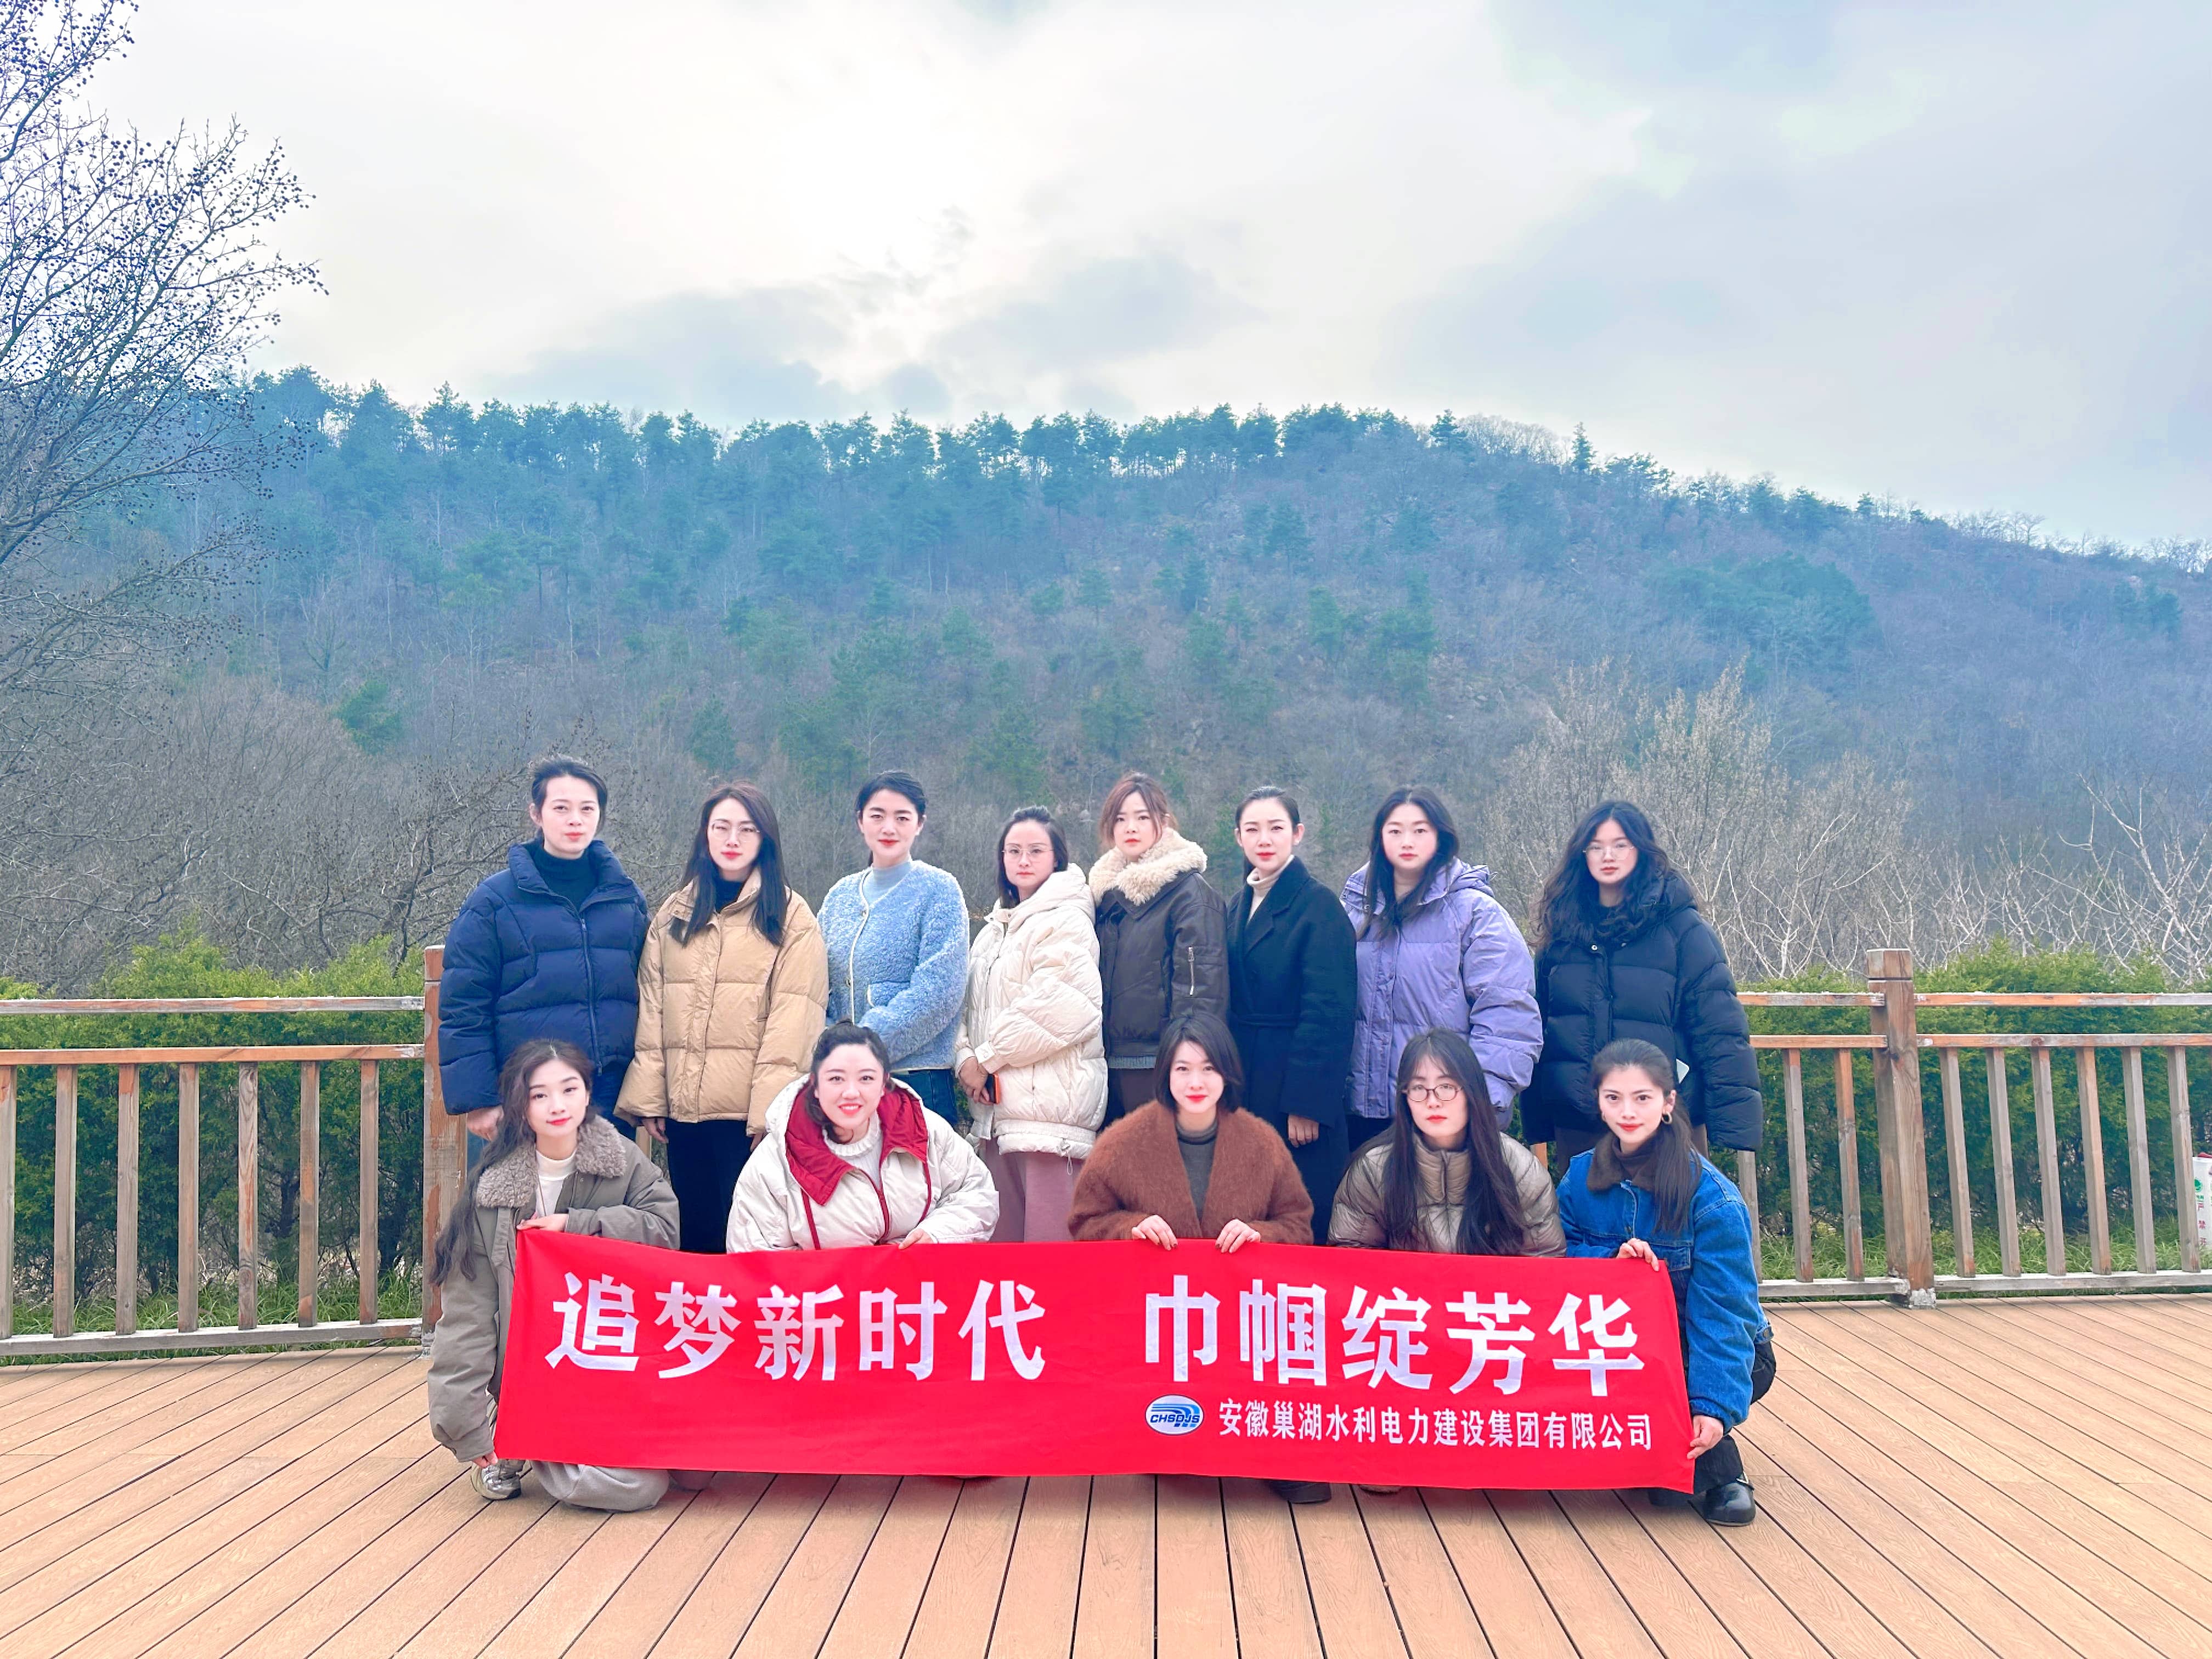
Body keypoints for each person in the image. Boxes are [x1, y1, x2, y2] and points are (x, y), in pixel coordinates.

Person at [1068, 1011, 1323, 1504]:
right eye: (1183, 1069)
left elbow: (1299, 1226)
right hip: (1158, 1327)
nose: (1196, 1082)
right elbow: (1084, 1222)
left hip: (1241, 1323)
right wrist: (1129, 1227)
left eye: (1208, 1069)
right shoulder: (1123, 1140)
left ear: (1227, 1073)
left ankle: (1270, 1452)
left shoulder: (1262, 1142)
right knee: (1170, 1452)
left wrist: (1261, 1234)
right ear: (1165, 1073)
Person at [426, 1039, 678, 1510]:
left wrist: (577, 1226)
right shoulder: (494, 1188)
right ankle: (522, 1435)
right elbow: (468, 1316)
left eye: (569, 1089)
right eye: (539, 1095)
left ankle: (531, 1442)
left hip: (613, 1362)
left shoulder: (621, 1160)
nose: (557, 1106)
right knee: (635, 1488)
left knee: (682, 1474)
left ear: (588, 1094)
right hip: (535, 1372)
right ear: (518, 1106)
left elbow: (665, 1230)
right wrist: (465, 1428)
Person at [1557, 1039, 1769, 1527]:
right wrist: (1610, 1259)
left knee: (1669, 1474)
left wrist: (1712, 1406)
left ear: (1669, 1103)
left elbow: (1726, 1314)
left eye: (1643, 1098)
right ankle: (1664, 1455)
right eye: (1614, 1098)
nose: (1628, 1112)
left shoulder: (1713, 1198)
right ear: (1599, 1103)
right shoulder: (1578, 1177)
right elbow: (1555, 1256)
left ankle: (1724, 1472)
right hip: (1621, 1343)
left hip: (1705, 1348)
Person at [617, 783, 828, 1252]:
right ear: (705, 835)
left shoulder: (791, 918)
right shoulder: (675, 913)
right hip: (684, 1114)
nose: (733, 839)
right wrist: (651, 1097)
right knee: (696, 1239)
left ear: (765, 839)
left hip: (748, 1122)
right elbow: (653, 1007)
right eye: (722, 827)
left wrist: (769, 1114)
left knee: (752, 1242)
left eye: (747, 829)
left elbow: (794, 1020)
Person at [1522, 801, 1763, 1168]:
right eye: (1596, 847)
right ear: (1582, 855)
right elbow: (1540, 1026)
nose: (1608, 856)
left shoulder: (1682, 929)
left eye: (1620, 845)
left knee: (1676, 1205)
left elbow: (1719, 1028)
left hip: (1666, 1118)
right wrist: (1539, 1117)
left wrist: (1735, 1125)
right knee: (1588, 1207)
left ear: (1642, 849)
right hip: (1581, 1121)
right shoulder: (1562, 933)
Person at [438, 756, 652, 1140]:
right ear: (536, 814)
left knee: (608, 1181)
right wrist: (479, 1099)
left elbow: (653, 992)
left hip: (610, 1090)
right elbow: (464, 1003)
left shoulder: (624, 898)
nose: (576, 820)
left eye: (587, 809)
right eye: (561, 808)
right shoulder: (494, 901)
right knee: (527, 1183)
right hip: (528, 1090)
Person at [1340, 787, 1540, 1152]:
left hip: (1445, 1116)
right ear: (1380, 838)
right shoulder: (1353, 911)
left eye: (1420, 830)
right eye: (1395, 830)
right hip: (1357, 1116)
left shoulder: (1476, 914)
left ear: (1441, 837)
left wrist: (1481, 1101)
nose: (1407, 841)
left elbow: (1508, 1016)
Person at [957, 808, 1108, 1243]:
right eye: (1014, 851)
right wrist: (966, 1060)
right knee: (1004, 1259)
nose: (1023, 860)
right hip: (998, 1115)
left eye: (1036, 851)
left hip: (1049, 1120)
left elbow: (1064, 1005)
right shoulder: (993, 931)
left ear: (1057, 858)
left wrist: (986, 1059)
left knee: (1050, 1256)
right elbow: (965, 1007)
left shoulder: (1067, 919)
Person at [727, 1022, 1000, 1250]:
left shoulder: (923, 1128)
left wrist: (938, 1234)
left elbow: (976, 1190)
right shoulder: (777, 1158)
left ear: (884, 1084)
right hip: (827, 1296)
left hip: (918, 1292)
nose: (851, 1093)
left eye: (866, 1079)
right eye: (836, 1079)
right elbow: (753, 1254)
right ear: (815, 1085)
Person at [1223, 786, 1356, 1243]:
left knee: (1300, 1208)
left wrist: (1308, 1102)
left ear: (1297, 834)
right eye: (1253, 829)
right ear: (1238, 837)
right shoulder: (1237, 904)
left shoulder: (1320, 906)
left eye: (1276, 828)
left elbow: (1330, 1010)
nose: (1265, 839)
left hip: (1293, 1090)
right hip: (1245, 1080)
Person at [817, 771, 970, 1128]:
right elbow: (816, 982)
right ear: (860, 821)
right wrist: (828, 1044)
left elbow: (940, 992)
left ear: (919, 824)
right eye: (877, 815)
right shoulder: (839, 897)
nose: (889, 827)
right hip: (843, 1086)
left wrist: (864, 1046)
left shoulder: (939, 891)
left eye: (902, 817)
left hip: (916, 1080)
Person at [1329, 1028, 1564, 1255]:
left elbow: (1543, 1261)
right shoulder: (1373, 1171)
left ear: (1472, 1092)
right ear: (1404, 1097)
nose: (1432, 1101)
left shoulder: (1520, 1170)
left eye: (1446, 1087)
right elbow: (1352, 1259)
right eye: (1418, 1088)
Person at [1090, 773, 1228, 1124]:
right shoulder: (1104, 897)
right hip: (1106, 1062)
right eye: (1120, 818)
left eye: (1142, 817)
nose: (1130, 827)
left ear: (1162, 822)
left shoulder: (1189, 893)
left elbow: (1201, 992)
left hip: (1159, 1063)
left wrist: (1188, 1065)